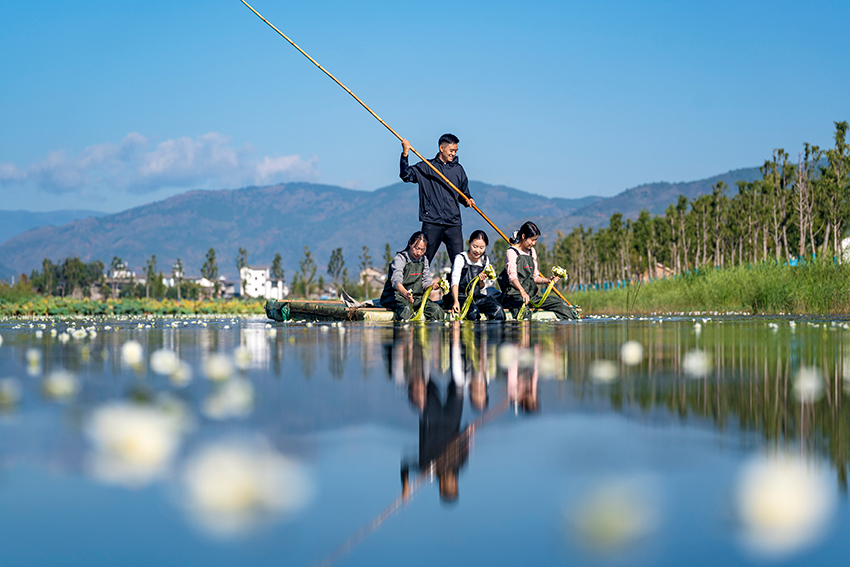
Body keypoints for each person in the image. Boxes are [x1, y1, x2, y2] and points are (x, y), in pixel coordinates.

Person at [400, 133, 475, 264]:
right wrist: (405, 154)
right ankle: (417, 283)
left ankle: (459, 285)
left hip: (453, 222)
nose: (453, 154)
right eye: (451, 150)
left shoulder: (458, 170)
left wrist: (468, 199)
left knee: (460, 263)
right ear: (441, 148)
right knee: (423, 261)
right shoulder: (426, 167)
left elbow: (463, 194)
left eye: (455, 151)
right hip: (432, 222)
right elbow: (406, 175)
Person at [497, 221, 578, 320]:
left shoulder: (532, 252)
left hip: (530, 296)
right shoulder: (511, 252)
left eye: (536, 240)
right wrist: (522, 291)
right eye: (532, 240)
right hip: (514, 297)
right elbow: (512, 276)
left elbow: (535, 277)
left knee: (560, 304)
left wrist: (548, 280)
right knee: (524, 312)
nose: (534, 243)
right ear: (523, 236)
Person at [380, 231, 445, 321]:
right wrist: (406, 293)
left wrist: (431, 286)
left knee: (437, 310)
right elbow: (396, 280)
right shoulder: (400, 258)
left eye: (422, 250)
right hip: (396, 296)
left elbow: (425, 281)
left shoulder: (424, 260)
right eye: (416, 248)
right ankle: (403, 333)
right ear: (410, 243)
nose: (418, 253)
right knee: (406, 311)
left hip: (416, 298)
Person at [449, 230, 506, 321]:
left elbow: (482, 287)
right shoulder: (460, 258)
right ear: (469, 244)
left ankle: (495, 334)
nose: (478, 251)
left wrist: (481, 281)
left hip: (476, 297)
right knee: (473, 312)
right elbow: (454, 282)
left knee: (498, 309)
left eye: (481, 248)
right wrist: (456, 301)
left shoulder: (485, 260)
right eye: (475, 246)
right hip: (461, 297)